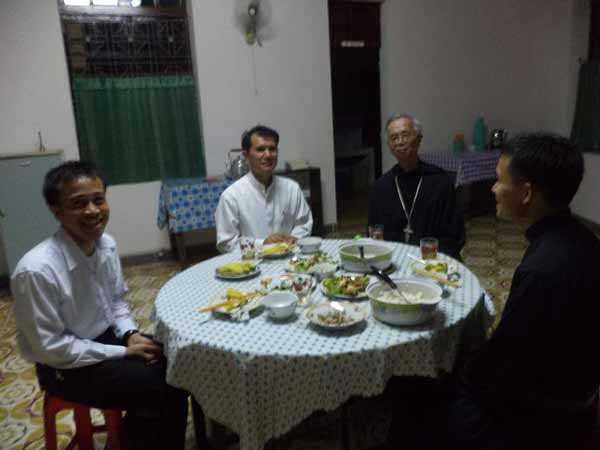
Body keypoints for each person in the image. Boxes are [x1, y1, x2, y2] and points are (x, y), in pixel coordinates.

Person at [11, 161, 209, 450]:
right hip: (64, 367)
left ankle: (143, 437)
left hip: (107, 340)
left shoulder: (107, 245)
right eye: (79, 203)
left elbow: (115, 302)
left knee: (185, 360)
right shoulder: (36, 270)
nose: (93, 210)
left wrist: (130, 334)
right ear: (56, 210)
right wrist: (122, 352)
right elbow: (50, 348)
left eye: (98, 199)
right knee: (165, 384)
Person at [368, 114, 465, 259]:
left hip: (432, 261)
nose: (400, 142)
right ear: (389, 146)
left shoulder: (441, 182)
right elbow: (374, 234)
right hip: (393, 260)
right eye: (394, 138)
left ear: (419, 139)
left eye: (405, 135)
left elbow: (453, 235)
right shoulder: (380, 187)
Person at [215, 124, 313, 253]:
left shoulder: (292, 189)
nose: (268, 155)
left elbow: (304, 224)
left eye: (272, 149)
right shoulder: (231, 196)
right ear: (246, 155)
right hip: (250, 263)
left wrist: (292, 240)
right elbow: (226, 243)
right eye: (260, 149)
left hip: (290, 258)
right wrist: (263, 244)